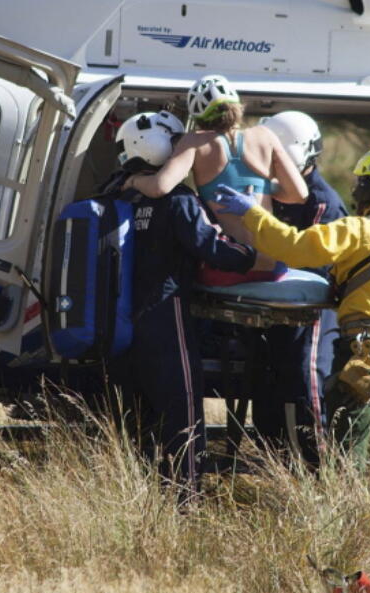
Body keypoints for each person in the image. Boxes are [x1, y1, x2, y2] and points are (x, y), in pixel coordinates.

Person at [211, 146, 370, 474]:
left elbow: (296, 249)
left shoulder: (358, 229)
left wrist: (251, 213)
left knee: (348, 446)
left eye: (360, 182)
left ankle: (344, 515)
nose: (354, 189)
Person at [107, 110, 258, 498]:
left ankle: (134, 493)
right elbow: (214, 248)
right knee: (183, 409)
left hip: (118, 325)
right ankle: (184, 497)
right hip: (165, 316)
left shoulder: (115, 193)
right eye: (176, 146)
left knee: (135, 416)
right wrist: (249, 250)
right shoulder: (177, 200)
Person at [125, 75, 307, 283]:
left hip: (231, 269)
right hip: (272, 267)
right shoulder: (265, 135)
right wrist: (263, 189)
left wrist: (133, 181)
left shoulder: (195, 141)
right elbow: (300, 194)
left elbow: (160, 187)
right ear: (237, 105)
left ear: (198, 116)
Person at [249, 111, 348, 466]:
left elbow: (316, 264)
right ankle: (274, 462)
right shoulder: (270, 191)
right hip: (275, 305)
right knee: (269, 383)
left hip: (313, 307)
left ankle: (319, 465)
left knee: (308, 381)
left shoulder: (323, 203)